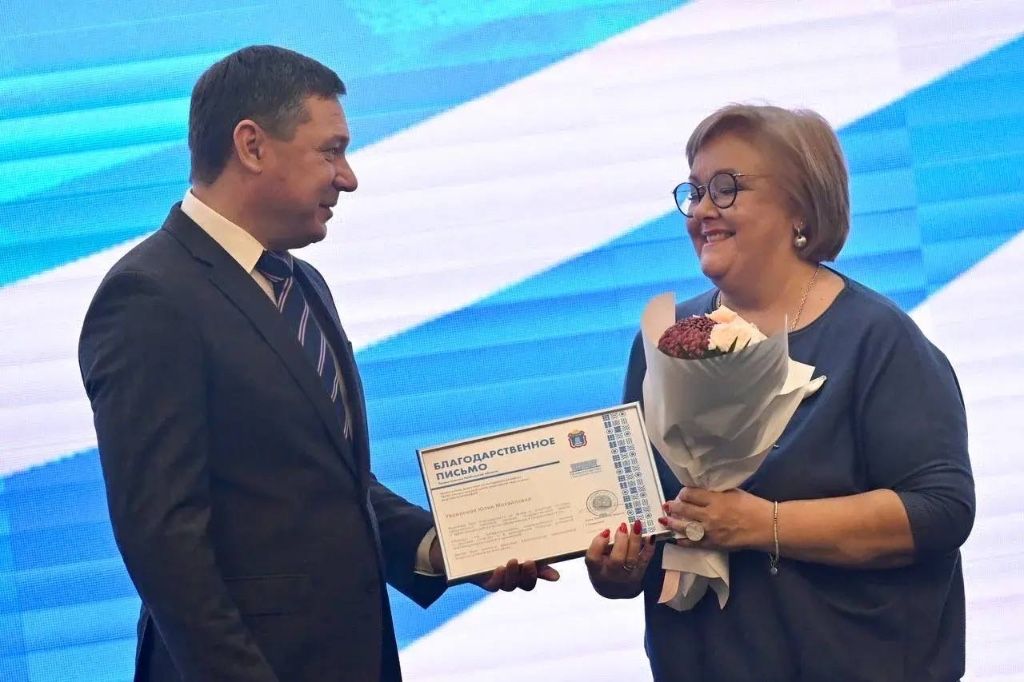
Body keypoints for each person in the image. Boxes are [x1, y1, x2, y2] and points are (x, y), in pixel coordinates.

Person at [78, 45, 557, 682]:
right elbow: (164, 542)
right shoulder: (149, 297)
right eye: (330, 152)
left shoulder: (302, 284)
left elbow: (334, 485)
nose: (348, 177)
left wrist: (452, 549)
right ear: (251, 146)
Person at [584, 104, 974, 681]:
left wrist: (763, 523)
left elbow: (940, 511)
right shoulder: (665, 343)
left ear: (801, 207)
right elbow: (644, 520)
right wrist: (619, 569)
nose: (702, 210)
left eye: (726, 188)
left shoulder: (878, 339)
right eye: (694, 191)